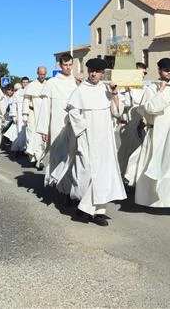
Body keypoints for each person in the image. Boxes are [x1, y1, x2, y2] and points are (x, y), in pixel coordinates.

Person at [62, 58, 126, 226]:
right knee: (86, 172)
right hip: (87, 138)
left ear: (102, 73)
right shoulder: (80, 90)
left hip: (105, 139)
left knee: (103, 173)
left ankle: (97, 211)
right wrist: (83, 131)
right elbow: (73, 113)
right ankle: (82, 207)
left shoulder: (107, 89)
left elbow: (118, 112)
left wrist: (114, 94)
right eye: (91, 70)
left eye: (97, 71)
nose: (93, 74)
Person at [132, 58, 170, 218]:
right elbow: (149, 109)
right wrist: (161, 93)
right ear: (159, 70)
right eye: (165, 70)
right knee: (153, 168)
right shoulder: (151, 89)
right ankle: (150, 200)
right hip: (156, 134)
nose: (169, 73)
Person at [36, 54, 78, 190]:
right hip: (57, 124)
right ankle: (60, 186)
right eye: (65, 65)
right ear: (60, 66)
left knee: (72, 155)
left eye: (70, 64)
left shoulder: (76, 82)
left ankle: (70, 189)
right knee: (60, 155)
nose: (68, 67)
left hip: (73, 124)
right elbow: (45, 108)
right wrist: (44, 130)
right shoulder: (52, 83)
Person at [117, 62, 148, 181]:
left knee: (140, 152)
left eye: (143, 73)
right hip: (129, 125)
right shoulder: (124, 88)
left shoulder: (146, 88)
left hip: (141, 124)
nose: (142, 75)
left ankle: (135, 177)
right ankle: (124, 175)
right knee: (127, 151)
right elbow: (121, 107)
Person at [23, 67, 47, 169]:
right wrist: (25, 114)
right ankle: (32, 157)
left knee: (42, 139)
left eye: (44, 74)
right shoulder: (31, 85)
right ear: (37, 73)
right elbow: (26, 100)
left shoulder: (48, 85)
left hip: (44, 115)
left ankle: (40, 159)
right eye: (40, 74)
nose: (42, 76)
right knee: (31, 137)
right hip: (32, 114)